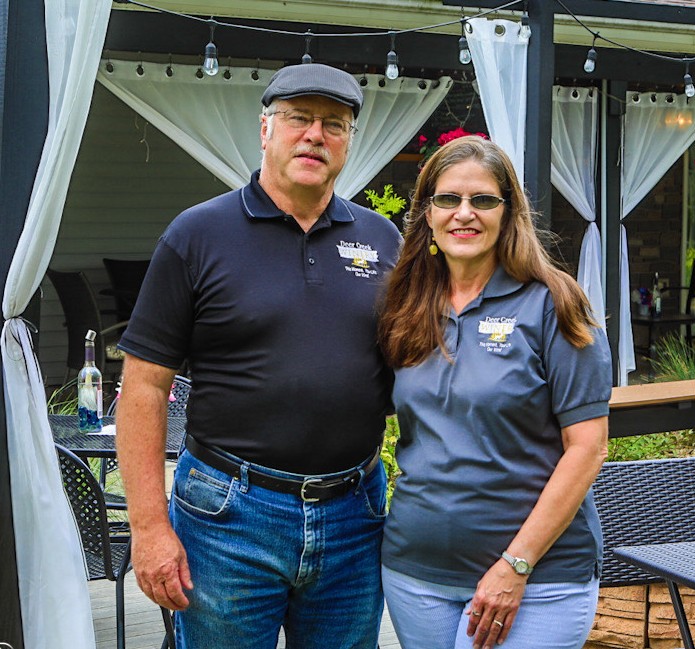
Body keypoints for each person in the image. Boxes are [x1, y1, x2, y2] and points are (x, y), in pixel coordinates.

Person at [114, 63, 402, 648]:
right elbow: (143, 387)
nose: (315, 135)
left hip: (353, 512)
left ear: (349, 142)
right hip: (229, 516)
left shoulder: (382, 240)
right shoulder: (197, 235)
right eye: (299, 119)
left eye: (335, 124)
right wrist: (148, 527)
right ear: (265, 130)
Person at [378, 136, 612, 649]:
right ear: (427, 214)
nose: (465, 214)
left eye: (483, 200)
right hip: (416, 575)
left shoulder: (554, 305)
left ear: (509, 213)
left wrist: (516, 564)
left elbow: (588, 448)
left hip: (538, 581)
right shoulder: (406, 305)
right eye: (448, 199)